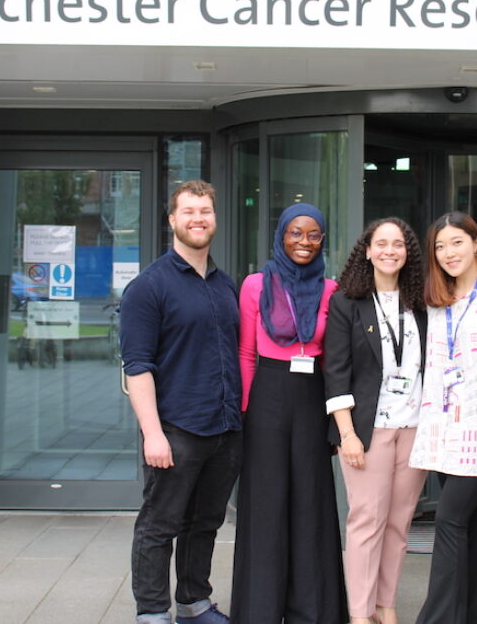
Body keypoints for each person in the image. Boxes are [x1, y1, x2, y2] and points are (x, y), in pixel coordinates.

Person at [120, 180, 242, 624]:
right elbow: (137, 367)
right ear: (172, 220)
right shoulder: (148, 287)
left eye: (205, 211)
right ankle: (152, 613)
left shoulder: (225, 285)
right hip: (176, 431)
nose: (198, 218)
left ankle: (194, 604)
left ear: (215, 219)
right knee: (159, 526)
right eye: (189, 211)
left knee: (205, 524)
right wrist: (153, 434)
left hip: (225, 431)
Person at [230, 203, 348, 624]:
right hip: (267, 397)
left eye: (313, 234)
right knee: (265, 503)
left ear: (322, 240)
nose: (304, 242)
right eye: (296, 233)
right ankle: (259, 609)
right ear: (281, 235)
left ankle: (312, 611)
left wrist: (336, 422)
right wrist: (244, 415)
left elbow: (336, 359)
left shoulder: (331, 289)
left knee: (311, 504)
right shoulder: (255, 285)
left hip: (312, 396)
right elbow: (245, 352)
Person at [409, 211, 477, 624]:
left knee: (449, 519)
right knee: (468, 529)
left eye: (457, 242)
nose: (448, 252)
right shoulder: (437, 296)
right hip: (441, 429)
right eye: (440, 246)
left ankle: (435, 619)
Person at [324, 218, 428, 624]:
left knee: (399, 524)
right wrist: (346, 433)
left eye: (397, 244)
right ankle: (360, 613)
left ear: (407, 253)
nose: (389, 251)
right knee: (366, 521)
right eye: (380, 243)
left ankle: (386, 605)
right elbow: (335, 371)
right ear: (366, 250)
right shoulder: (346, 301)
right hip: (367, 432)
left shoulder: (421, 301)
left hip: (414, 429)